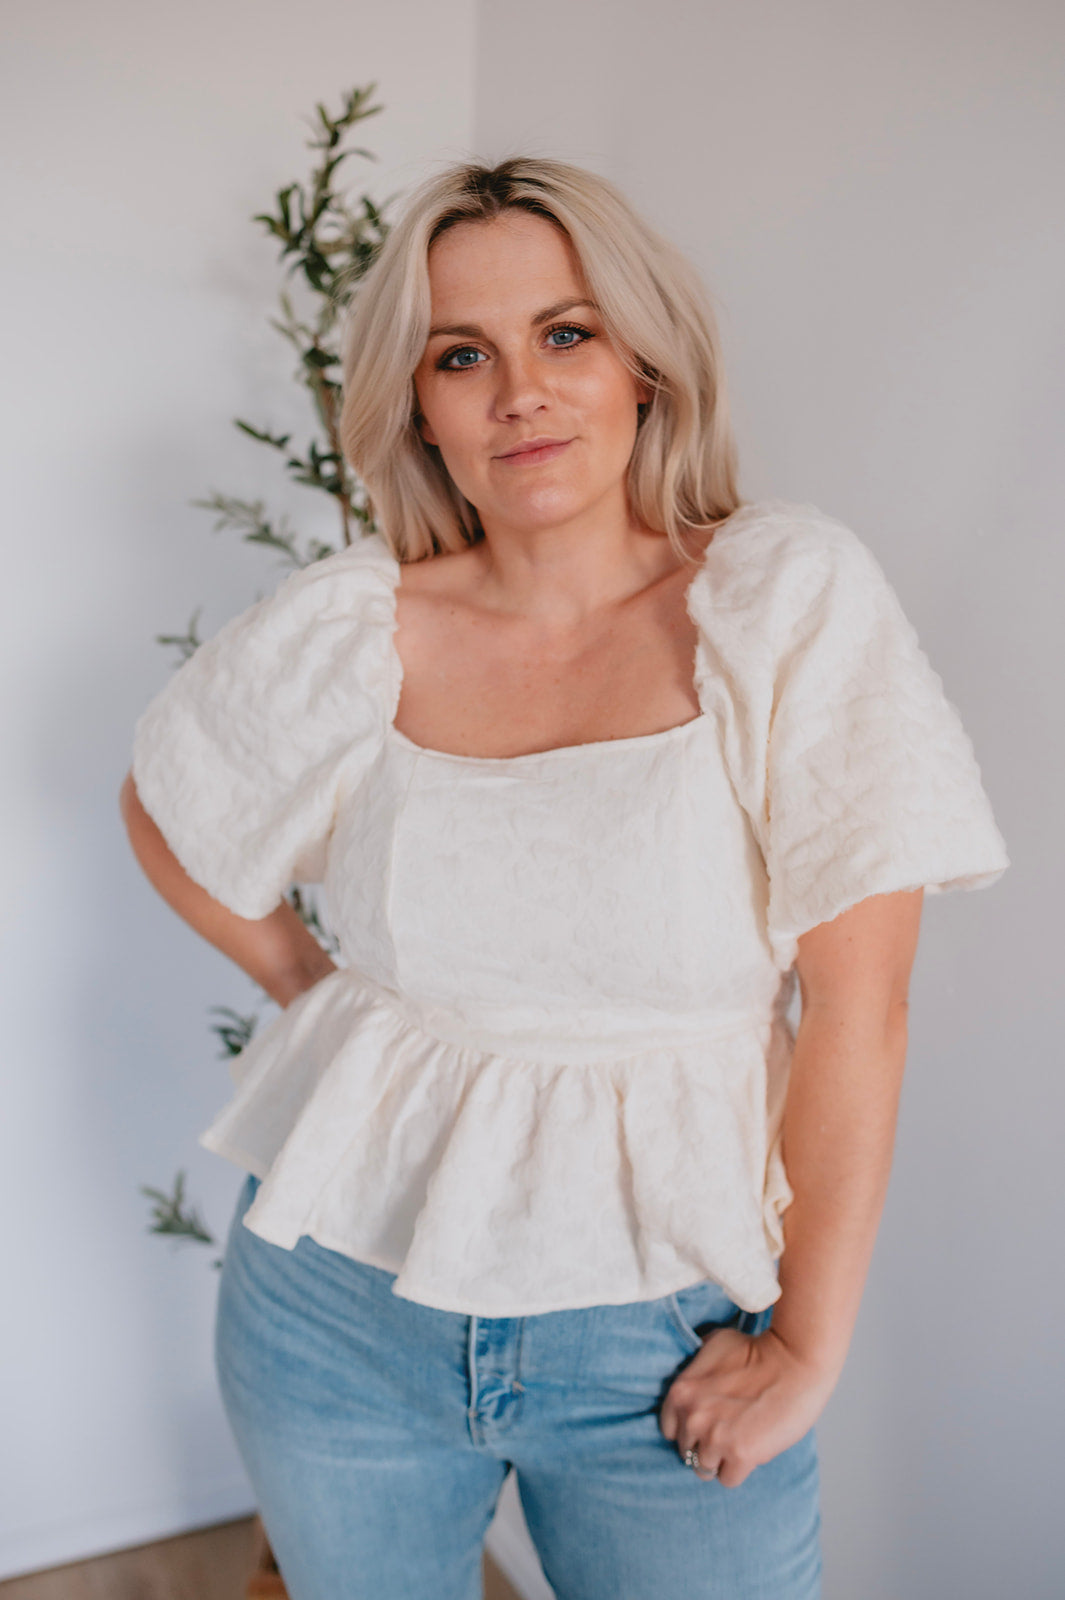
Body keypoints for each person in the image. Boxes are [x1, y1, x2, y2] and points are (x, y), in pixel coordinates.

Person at [121, 156, 1010, 1600]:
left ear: (644, 364)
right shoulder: (360, 623)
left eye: (566, 333)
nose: (519, 393)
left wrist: (805, 1344)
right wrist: (307, 986)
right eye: (460, 355)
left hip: (668, 1338)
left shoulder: (780, 603)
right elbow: (168, 807)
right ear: (418, 406)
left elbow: (863, 1004)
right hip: (337, 1309)